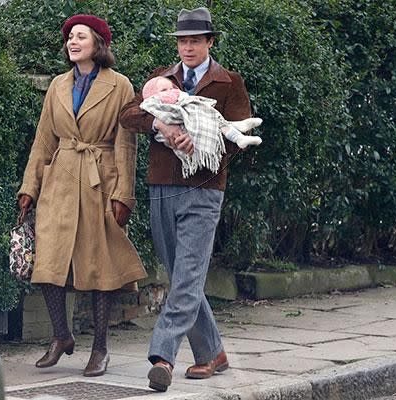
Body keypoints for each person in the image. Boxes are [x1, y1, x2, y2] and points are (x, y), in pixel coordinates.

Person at [119, 7, 257, 392]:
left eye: (196, 40)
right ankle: (213, 352)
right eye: (183, 41)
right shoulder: (160, 80)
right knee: (182, 275)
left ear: (210, 42)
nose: (188, 47)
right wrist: (160, 124)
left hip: (204, 189)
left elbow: (237, 139)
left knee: (187, 277)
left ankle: (162, 355)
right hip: (161, 186)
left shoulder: (229, 83)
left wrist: (201, 145)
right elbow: (129, 115)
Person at [17, 14, 147, 377]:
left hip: (98, 182)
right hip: (59, 180)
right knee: (48, 263)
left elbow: (126, 143)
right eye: (70, 37)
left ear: (98, 44)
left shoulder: (119, 85)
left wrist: (124, 195)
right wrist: (29, 187)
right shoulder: (58, 85)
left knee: (98, 267)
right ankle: (61, 336)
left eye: (81, 37)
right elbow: (44, 140)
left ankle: (100, 349)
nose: (72, 42)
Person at [141, 76, 262, 177]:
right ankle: (237, 130)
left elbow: (188, 102)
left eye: (172, 88)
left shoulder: (230, 79)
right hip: (176, 144)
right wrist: (159, 123)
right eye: (164, 90)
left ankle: (239, 135)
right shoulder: (152, 104)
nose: (170, 91)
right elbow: (136, 113)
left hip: (210, 180)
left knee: (205, 116)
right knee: (206, 119)